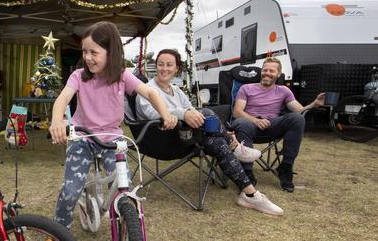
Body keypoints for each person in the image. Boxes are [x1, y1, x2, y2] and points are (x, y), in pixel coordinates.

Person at [41, 21, 178, 241]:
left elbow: (150, 93)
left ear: (111, 52)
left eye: (94, 52)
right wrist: (56, 121)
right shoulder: (79, 76)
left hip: (111, 139)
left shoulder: (122, 75)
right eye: (85, 52)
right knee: (71, 190)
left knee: (124, 188)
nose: (88, 58)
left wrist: (165, 113)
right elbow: (62, 100)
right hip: (83, 138)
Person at [135, 49, 283, 216]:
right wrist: (183, 113)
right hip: (163, 139)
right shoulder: (146, 89)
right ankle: (233, 144)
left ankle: (250, 194)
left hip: (188, 137)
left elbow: (191, 107)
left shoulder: (176, 90)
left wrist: (190, 112)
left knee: (216, 141)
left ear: (177, 69)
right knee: (206, 113)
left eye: (169, 65)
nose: (164, 68)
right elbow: (151, 113)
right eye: (160, 64)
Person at [231, 57, 325, 192]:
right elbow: (237, 112)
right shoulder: (246, 88)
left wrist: (314, 104)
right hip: (249, 126)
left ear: (278, 74)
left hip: (272, 126)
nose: (267, 73)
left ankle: (285, 167)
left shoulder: (284, 91)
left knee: (297, 119)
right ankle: (247, 172)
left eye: (271, 71)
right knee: (241, 122)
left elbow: (299, 110)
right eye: (265, 70)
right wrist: (256, 120)